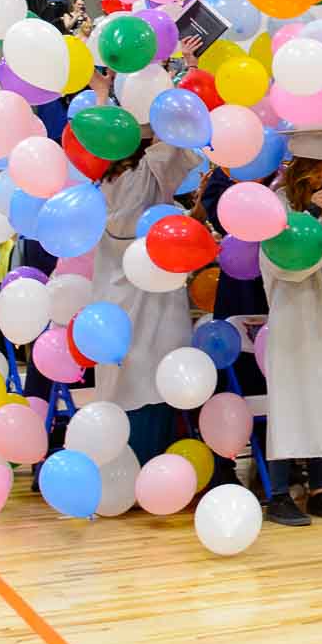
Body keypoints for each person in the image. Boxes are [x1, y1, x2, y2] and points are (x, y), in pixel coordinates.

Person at [86, 79, 203, 462]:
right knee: (155, 371)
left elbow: (94, 137)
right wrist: (188, 74)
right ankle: (149, 462)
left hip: (113, 296)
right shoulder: (152, 171)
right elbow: (182, 130)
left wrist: (102, 94)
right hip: (153, 291)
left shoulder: (100, 182)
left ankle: (117, 462)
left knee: (122, 375)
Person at [259, 132, 322, 527]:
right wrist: (313, 218)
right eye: (315, 169)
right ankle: (280, 493)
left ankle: (319, 488)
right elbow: (283, 264)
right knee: (291, 401)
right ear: (298, 170)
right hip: (294, 317)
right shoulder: (277, 207)